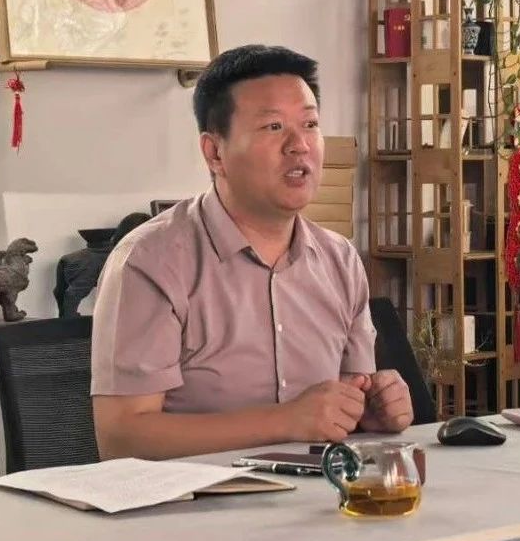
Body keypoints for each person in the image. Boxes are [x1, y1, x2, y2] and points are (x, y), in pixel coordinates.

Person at [91, 44, 414, 460]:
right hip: (197, 496)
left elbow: (347, 401)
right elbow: (121, 440)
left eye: (310, 124)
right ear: (215, 152)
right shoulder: (151, 261)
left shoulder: (340, 260)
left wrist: (371, 411)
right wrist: (285, 421)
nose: (299, 145)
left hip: (320, 490)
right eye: (273, 127)